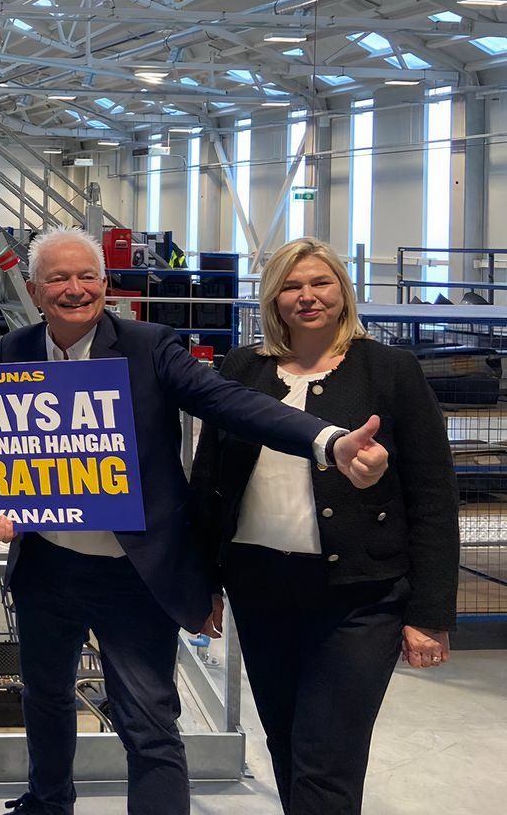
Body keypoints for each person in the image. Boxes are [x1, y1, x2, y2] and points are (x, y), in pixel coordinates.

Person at [0, 227, 390, 815]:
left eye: (87, 276)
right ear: (34, 288)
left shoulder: (149, 346)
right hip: (46, 566)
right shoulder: (15, 350)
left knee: (147, 720)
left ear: (105, 282)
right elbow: (1, 450)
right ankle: (47, 803)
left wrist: (325, 440)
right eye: (58, 279)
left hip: (132, 575)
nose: (75, 290)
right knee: (44, 702)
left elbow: (229, 402)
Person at [190, 238, 459, 814]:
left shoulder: (390, 371)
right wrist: (203, 581)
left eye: (320, 283)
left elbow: (434, 497)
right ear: (273, 298)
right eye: (291, 285)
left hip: (359, 599)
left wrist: (430, 616)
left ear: (343, 291)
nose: (306, 297)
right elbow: (210, 483)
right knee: (287, 748)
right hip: (261, 590)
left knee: (325, 759)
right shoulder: (243, 369)